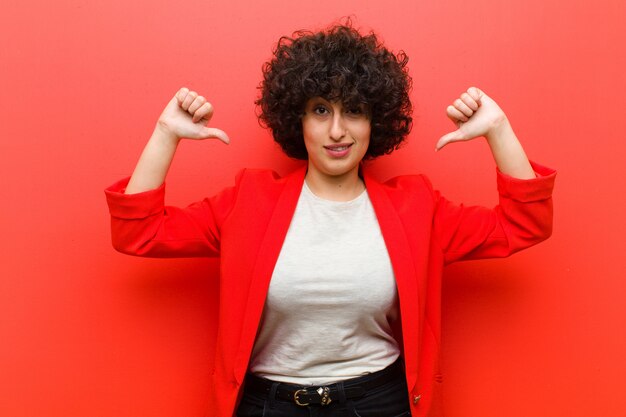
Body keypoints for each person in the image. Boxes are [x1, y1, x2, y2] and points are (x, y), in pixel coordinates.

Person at [105, 23, 555, 417]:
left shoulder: (417, 208)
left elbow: (523, 223)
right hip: (268, 405)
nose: (337, 130)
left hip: (378, 401)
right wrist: (166, 134)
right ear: (297, 119)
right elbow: (139, 233)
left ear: (374, 121)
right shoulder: (249, 201)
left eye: (354, 111)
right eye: (321, 110)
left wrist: (499, 130)